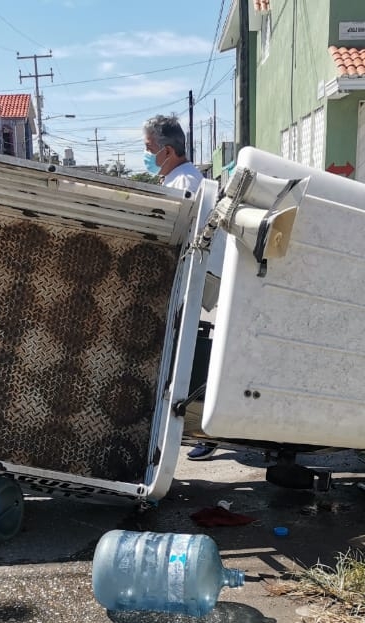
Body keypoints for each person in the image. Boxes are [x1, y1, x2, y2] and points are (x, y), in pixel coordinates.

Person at [143, 115, 213, 458]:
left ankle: (198, 433)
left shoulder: (183, 183)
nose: (145, 155)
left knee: (179, 362)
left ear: (167, 150)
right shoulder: (181, 178)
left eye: (148, 149)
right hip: (181, 281)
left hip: (180, 281)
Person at [143, 115, 203, 195]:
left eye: (149, 148)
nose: (146, 153)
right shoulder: (175, 177)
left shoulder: (185, 182)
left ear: (168, 151)